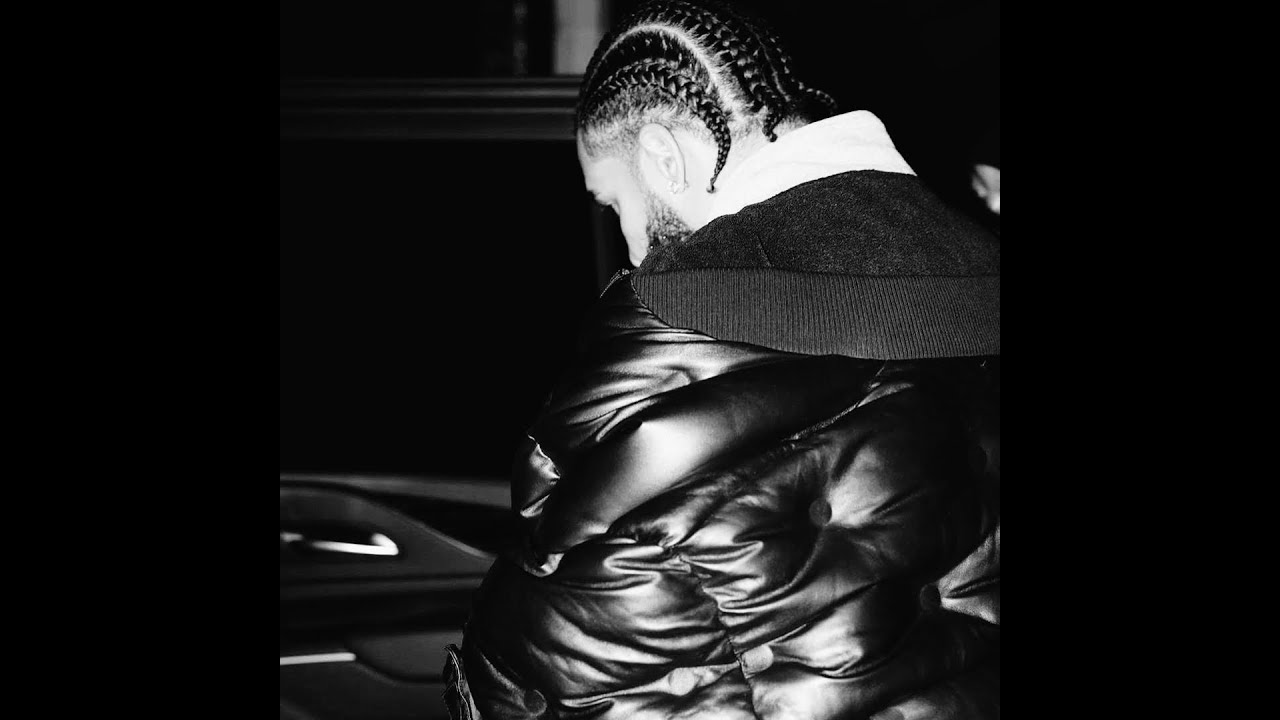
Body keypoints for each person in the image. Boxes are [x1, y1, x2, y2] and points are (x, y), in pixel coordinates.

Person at [448, 1, 1000, 718]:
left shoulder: (664, 353)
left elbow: (543, 680)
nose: (632, 248)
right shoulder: (976, 278)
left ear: (663, 158)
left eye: (615, 203)